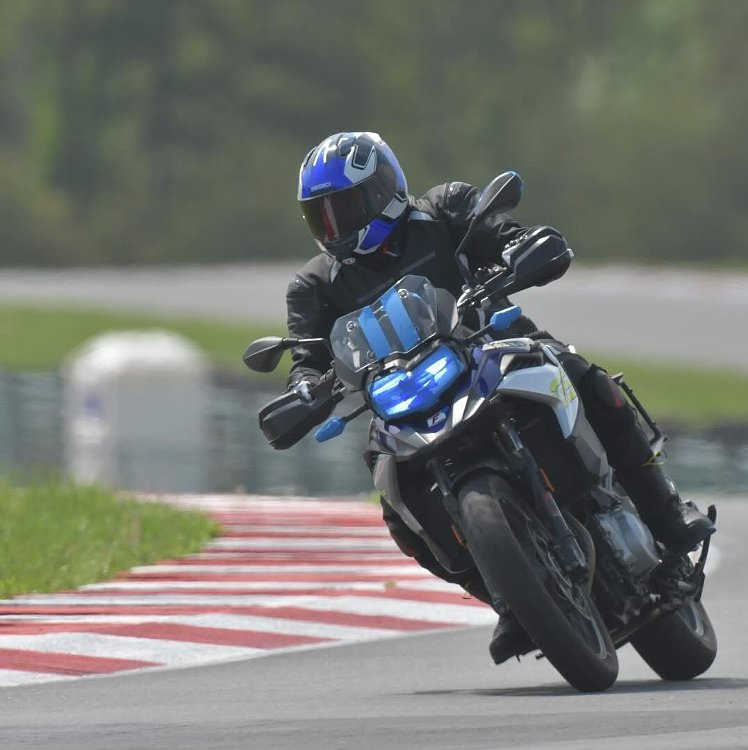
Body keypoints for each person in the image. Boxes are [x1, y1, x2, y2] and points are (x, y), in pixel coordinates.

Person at [280, 131, 715, 664]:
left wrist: (521, 247)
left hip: (493, 349)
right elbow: (307, 356)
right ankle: (508, 597)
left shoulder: (444, 211)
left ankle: (665, 512)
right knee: (395, 502)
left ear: (383, 189)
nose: (335, 226)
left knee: (588, 380)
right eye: (321, 216)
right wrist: (305, 387)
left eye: (344, 208)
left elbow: (503, 233)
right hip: (404, 397)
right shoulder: (314, 285)